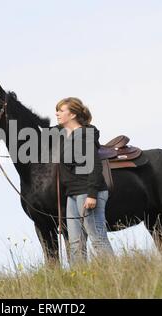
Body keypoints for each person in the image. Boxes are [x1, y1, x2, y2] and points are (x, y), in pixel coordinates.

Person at [54, 97, 113, 265]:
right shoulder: (64, 135)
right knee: (75, 244)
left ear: (72, 114)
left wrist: (92, 194)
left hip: (87, 192)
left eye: (61, 110)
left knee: (97, 238)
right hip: (72, 195)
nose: (57, 113)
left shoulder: (84, 135)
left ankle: (115, 275)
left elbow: (95, 166)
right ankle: (80, 280)